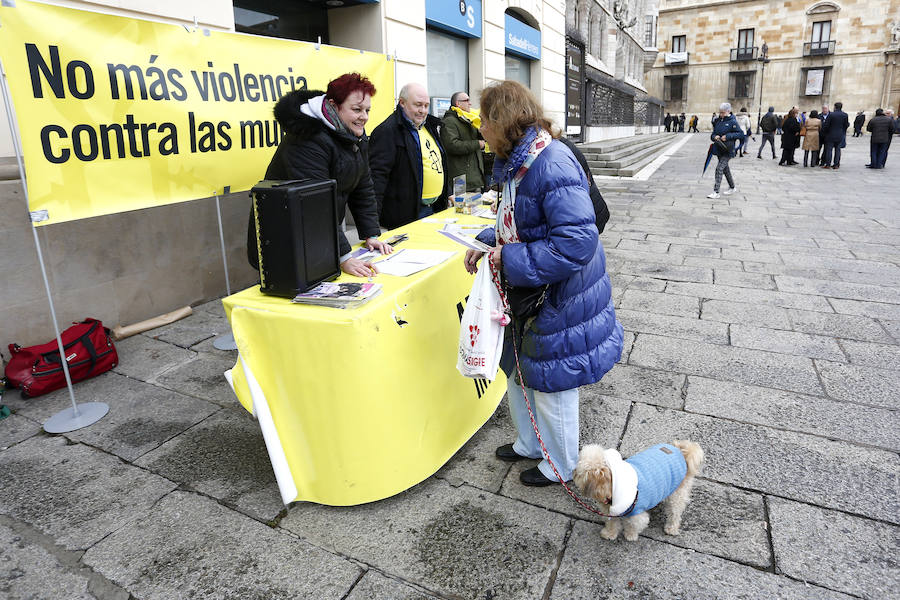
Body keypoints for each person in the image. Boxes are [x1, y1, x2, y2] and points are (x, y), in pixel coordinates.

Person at [463, 80, 623, 487]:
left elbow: (576, 242)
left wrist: (508, 257)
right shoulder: (522, 159)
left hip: (560, 295)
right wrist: (486, 243)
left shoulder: (549, 162)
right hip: (535, 290)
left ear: (503, 121)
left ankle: (562, 464)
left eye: (484, 119)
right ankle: (531, 444)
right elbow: (521, 222)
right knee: (520, 369)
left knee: (553, 380)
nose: (479, 126)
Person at [248, 72, 391, 277]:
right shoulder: (307, 139)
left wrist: (371, 234)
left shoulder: (352, 134)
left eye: (367, 110)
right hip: (284, 238)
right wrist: (343, 257)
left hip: (317, 236)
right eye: (357, 109)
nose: (364, 117)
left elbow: (363, 186)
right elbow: (316, 203)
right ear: (333, 105)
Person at [369, 82, 449, 229]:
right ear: (402, 103)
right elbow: (377, 179)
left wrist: (447, 192)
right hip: (406, 215)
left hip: (434, 208)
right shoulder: (387, 131)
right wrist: (372, 226)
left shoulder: (429, 126)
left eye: (426, 105)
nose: (423, 111)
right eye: (418, 105)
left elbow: (437, 162)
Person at [441, 91, 485, 192]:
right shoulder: (449, 121)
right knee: (461, 206)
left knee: (475, 207)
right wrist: (477, 144)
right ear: (458, 104)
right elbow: (452, 145)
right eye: (467, 100)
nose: (470, 103)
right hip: (460, 178)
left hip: (474, 177)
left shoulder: (468, 118)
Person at [706, 102, 743, 199]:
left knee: (719, 168)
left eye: (723, 112)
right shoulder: (718, 121)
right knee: (726, 169)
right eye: (720, 112)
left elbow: (740, 134)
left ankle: (716, 191)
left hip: (728, 150)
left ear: (728, 111)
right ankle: (732, 187)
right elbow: (712, 134)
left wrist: (728, 136)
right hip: (719, 149)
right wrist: (715, 137)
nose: (721, 114)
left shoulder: (733, 121)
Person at [820, 101, 849, 169]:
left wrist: (825, 132)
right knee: (838, 150)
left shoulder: (831, 115)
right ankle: (836, 164)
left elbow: (826, 125)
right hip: (840, 135)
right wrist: (842, 131)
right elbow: (846, 125)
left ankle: (828, 164)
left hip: (830, 134)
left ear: (835, 107)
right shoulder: (845, 115)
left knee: (829, 150)